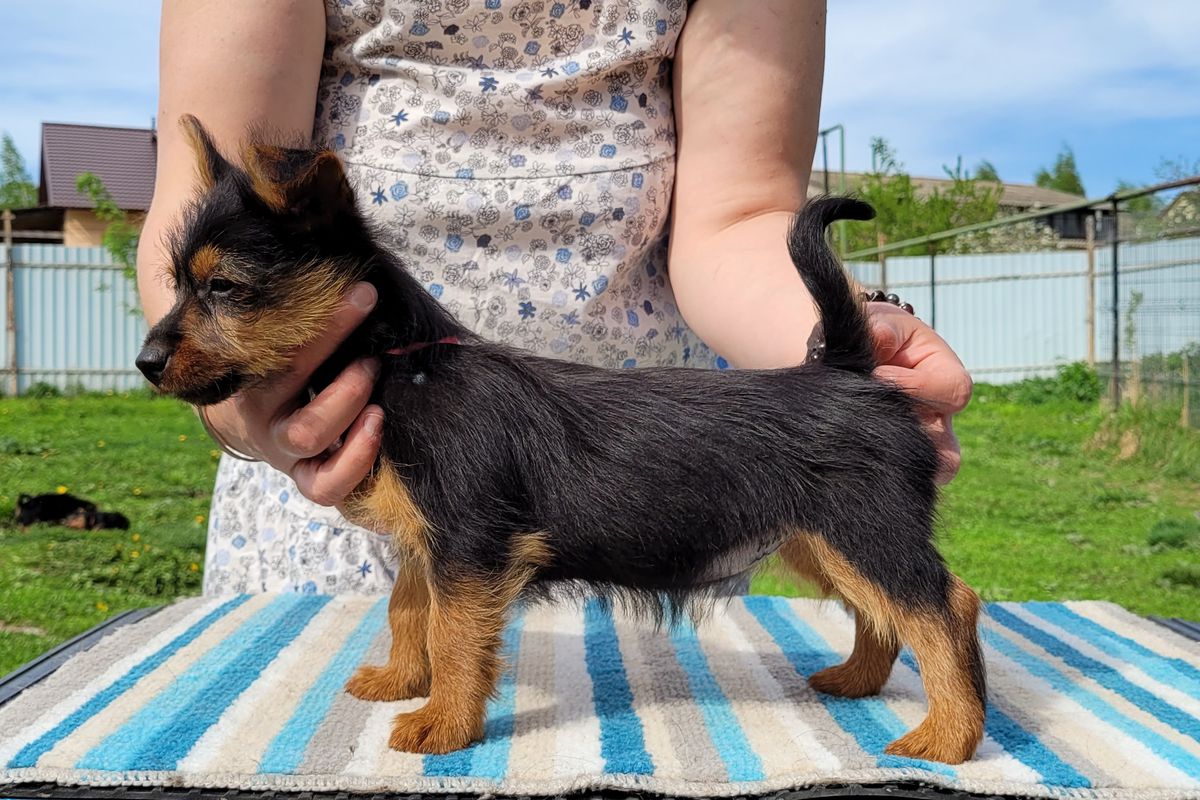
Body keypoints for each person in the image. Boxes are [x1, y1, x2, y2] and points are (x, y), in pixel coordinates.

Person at [138, 0, 972, 596]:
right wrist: (250, 411)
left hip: (649, 470)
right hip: (322, 483)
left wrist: (839, 347)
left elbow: (739, 213)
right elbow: (209, 198)